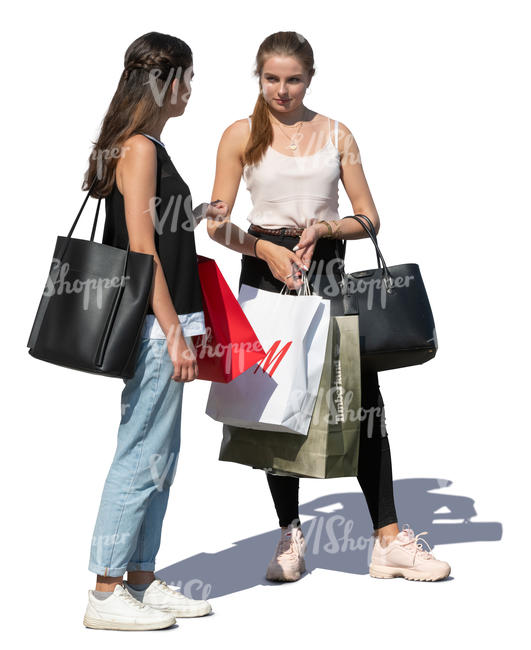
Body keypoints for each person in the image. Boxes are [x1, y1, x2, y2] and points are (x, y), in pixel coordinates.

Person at [207, 31, 451, 583]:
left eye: (293, 79)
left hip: (328, 266)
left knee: (362, 396)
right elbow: (215, 221)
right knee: (273, 399)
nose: (282, 90)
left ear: (310, 78)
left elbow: (369, 217)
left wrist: (325, 225)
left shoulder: (338, 133)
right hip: (263, 264)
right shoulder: (240, 134)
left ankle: (387, 539)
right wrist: (262, 247)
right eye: (272, 78)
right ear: (259, 77)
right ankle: (290, 534)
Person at [82, 32, 226, 631]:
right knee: (141, 452)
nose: (191, 90)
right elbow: (142, 250)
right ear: (166, 81)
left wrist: (195, 219)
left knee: (160, 453)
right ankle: (106, 589)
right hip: (156, 323)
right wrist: (173, 332)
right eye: (186, 78)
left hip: (169, 319)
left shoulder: (148, 148)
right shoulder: (139, 148)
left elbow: (154, 228)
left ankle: (140, 575)